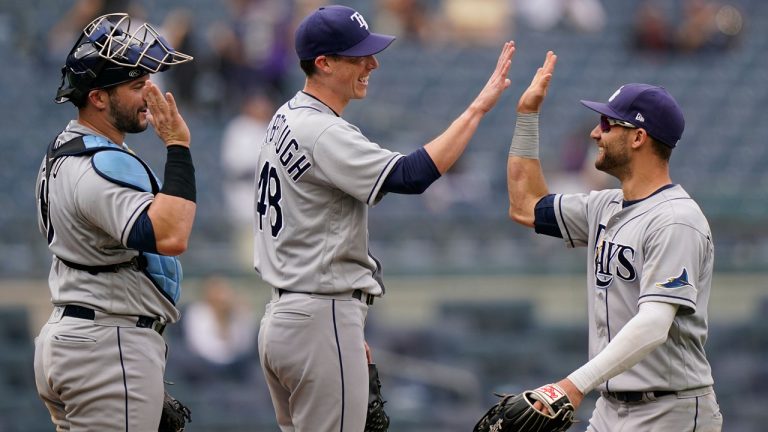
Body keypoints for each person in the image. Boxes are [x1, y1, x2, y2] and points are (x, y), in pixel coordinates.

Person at [254, 5, 515, 431]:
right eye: (358, 56)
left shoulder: (286, 116)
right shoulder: (321, 131)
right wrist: (478, 109)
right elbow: (412, 176)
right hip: (319, 317)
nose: (372, 63)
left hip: (287, 319)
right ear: (323, 63)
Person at [505, 51, 723, 430]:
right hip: (609, 409)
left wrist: (573, 386)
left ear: (638, 137)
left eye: (607, 123)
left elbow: (654, 323)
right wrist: (527, 116)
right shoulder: (605, 205)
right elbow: (525, 206)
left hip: (669, 410)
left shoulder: (677, 220)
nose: (594, 133)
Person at [33, 13, 196, 431]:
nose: (150, 94)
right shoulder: (98, 163)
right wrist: (177, 145)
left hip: (87, 337)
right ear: (99, 97)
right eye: (136, 85)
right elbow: (170, 234)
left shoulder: (66, 150)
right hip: (107, 343)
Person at [180, 276, 257, 381]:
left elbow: (245, 346)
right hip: (204, 367)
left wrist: (235, 318)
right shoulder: (197, 312)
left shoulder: (237, 313)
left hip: (236, 367)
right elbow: (202, 348)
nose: (221, 297)